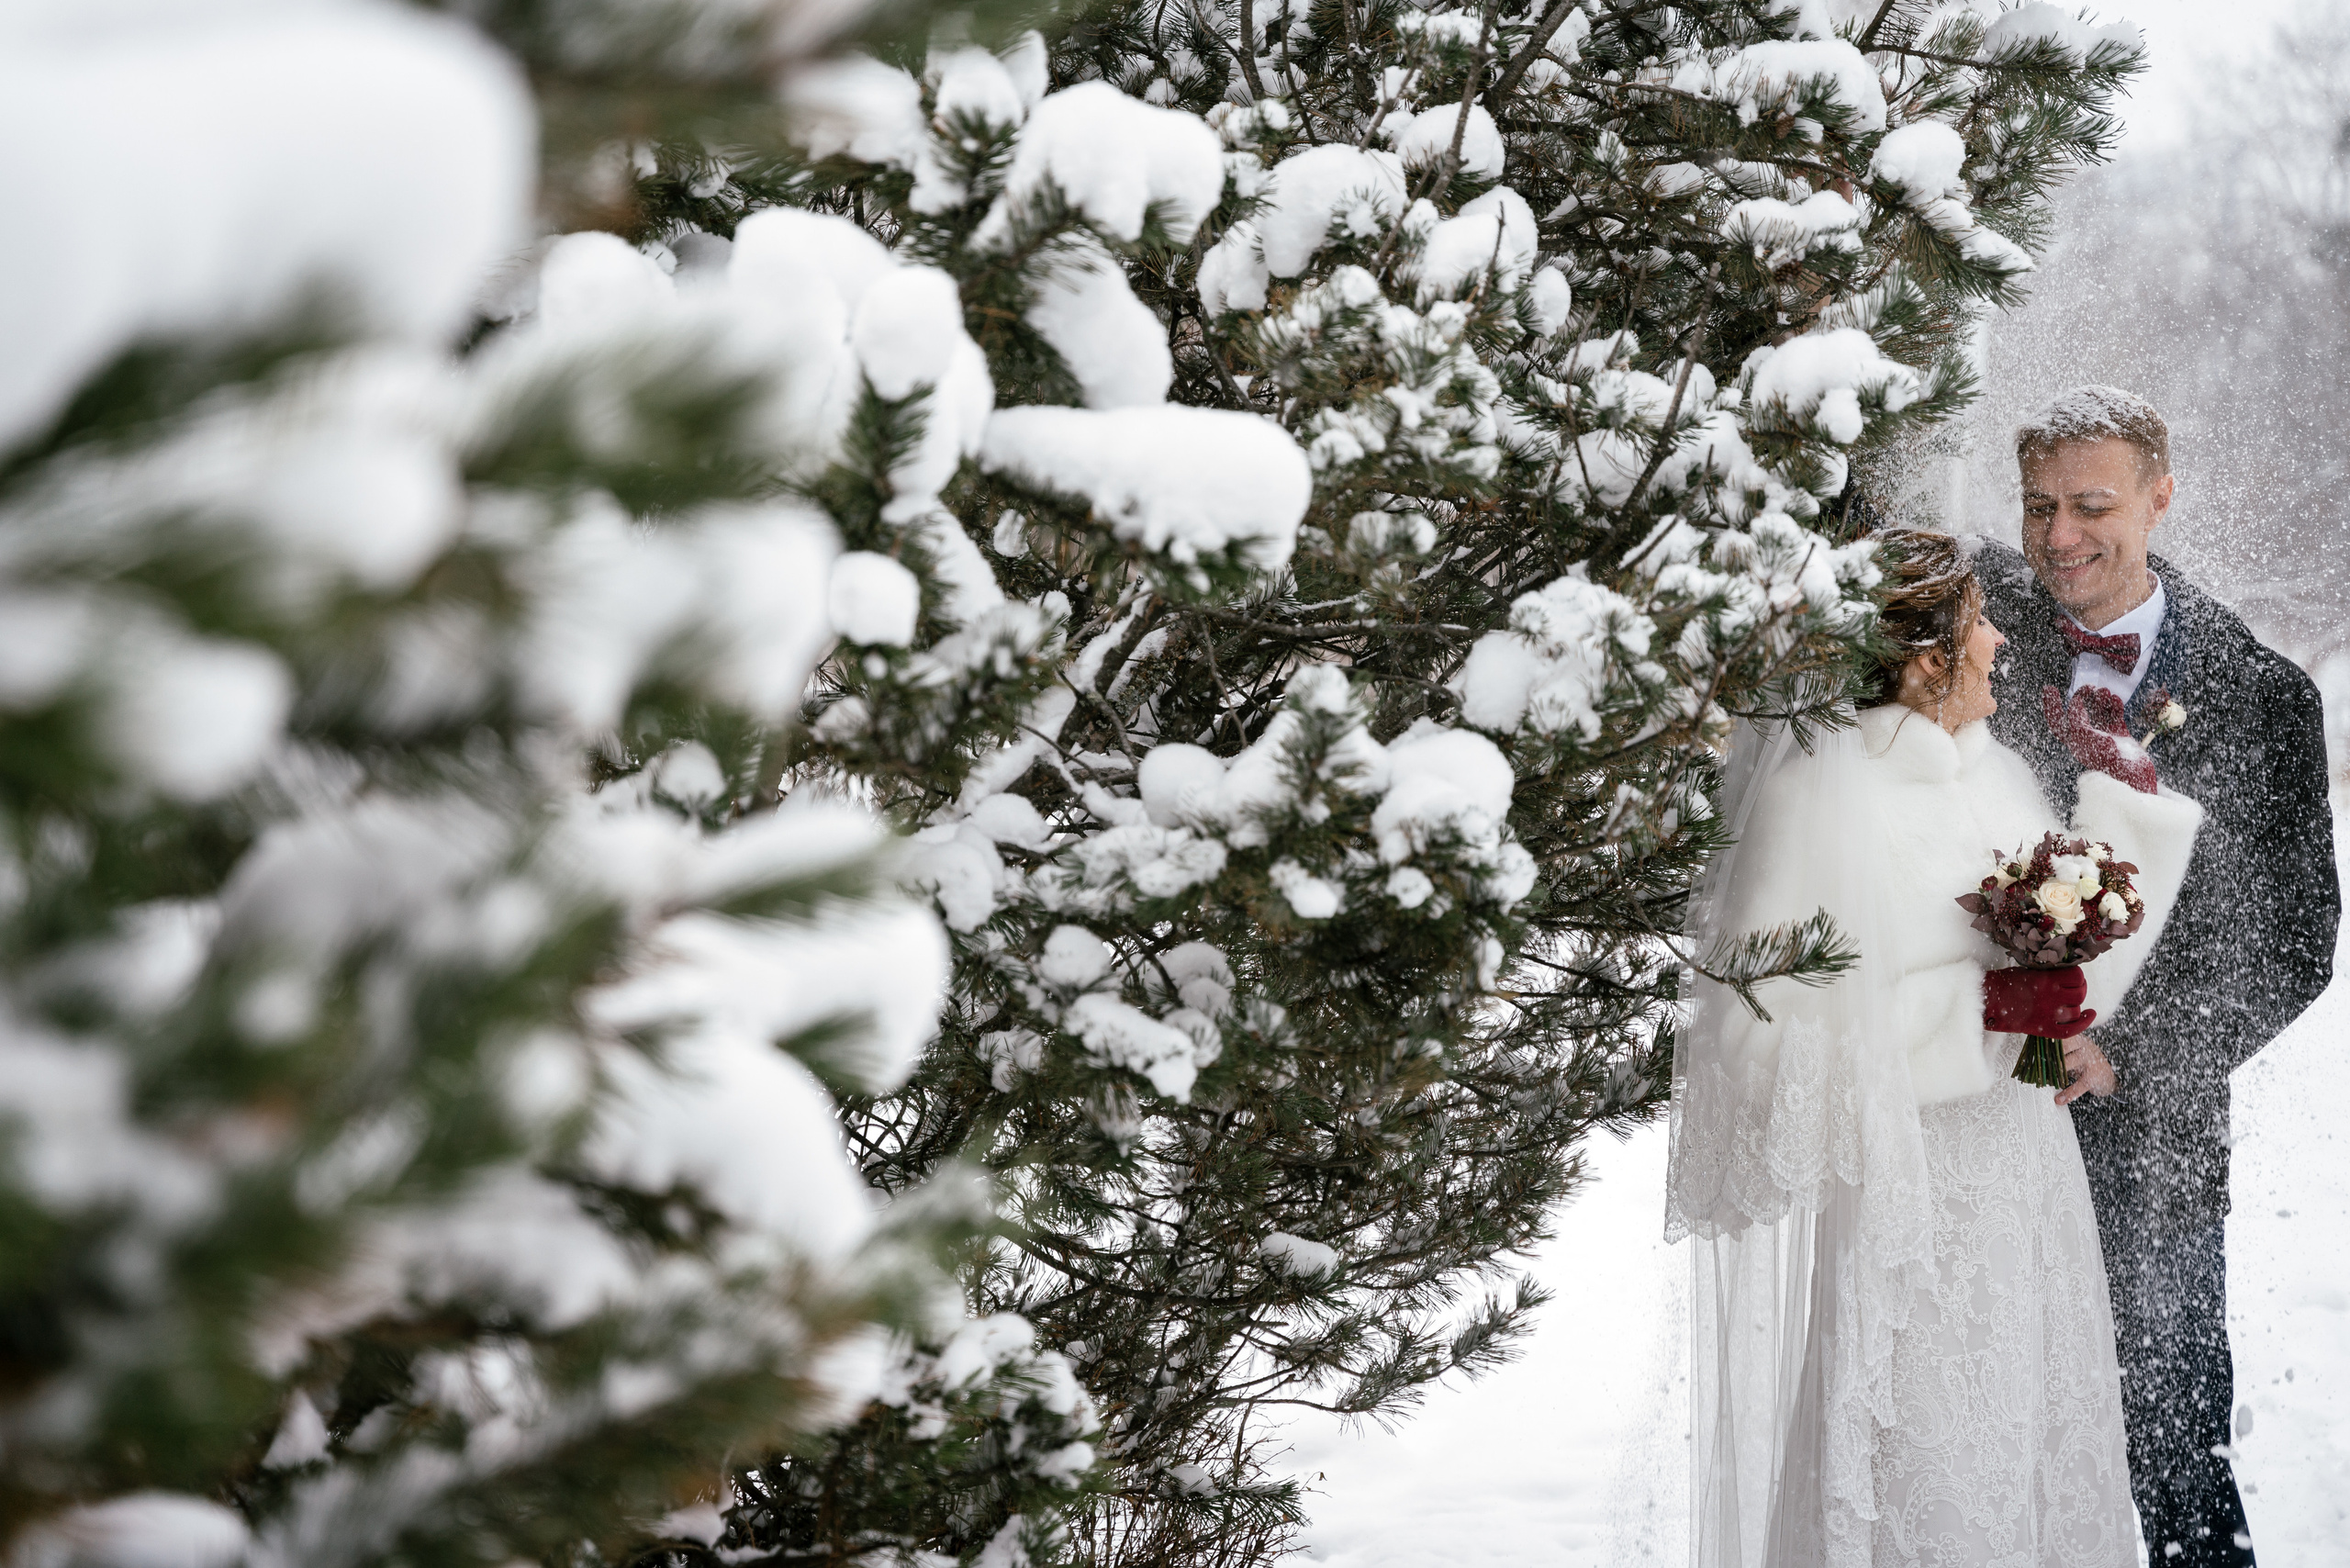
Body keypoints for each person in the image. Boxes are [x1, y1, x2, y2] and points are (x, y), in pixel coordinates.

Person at [1667, 529, 2205, 1566]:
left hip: (2027, 1197)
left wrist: (2069, 993)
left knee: (2029, 1463)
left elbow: (2052, 963)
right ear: (1925, 662)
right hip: (1910, 1219)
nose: (2003, 640)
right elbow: (1757, 1045)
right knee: (1929, 1483)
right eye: (1979, 624)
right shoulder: (1818, 800)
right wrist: (1974, 1017)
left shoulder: (1993, 773)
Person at [1970, 386, 2340, 1565]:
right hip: (1970, 1115)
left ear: (2159, 497)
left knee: (2172, 1438)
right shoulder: (1973, 630)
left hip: (2154, 1135)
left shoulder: (2261, 693)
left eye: (2091, 504)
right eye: (2039, 508)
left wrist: (2125, 1046)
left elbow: (2295, 940)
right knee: (1988, 1424)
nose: (2060, 536)